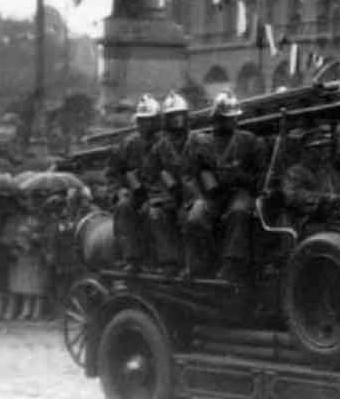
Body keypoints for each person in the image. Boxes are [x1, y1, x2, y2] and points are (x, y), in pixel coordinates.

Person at [183, 91, 266, 281]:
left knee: (239, 212)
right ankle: (201, 263)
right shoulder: (200, 142)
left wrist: (242, 177)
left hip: (239, 191)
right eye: (223, 118)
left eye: (232, 118)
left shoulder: (249, 140)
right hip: (211, 193)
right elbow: (188, 174)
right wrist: (196, 196)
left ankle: (232, 263)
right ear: (215, 118)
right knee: (196, 216)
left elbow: (260, 175)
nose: (229, 122)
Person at [107, 94, 162, 273]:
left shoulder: (165, 143)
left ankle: (156, 260)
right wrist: (119, 190)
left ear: (157, 121)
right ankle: (131, 258)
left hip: (161, 194)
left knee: (152, 212)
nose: (145, 124)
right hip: (135, 194)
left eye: (149, 120)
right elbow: (113, 174)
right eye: (141, 120)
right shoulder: (128, 144)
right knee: (123, 207)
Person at [281, 127, 340, 232]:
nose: (324, 151)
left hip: (331, 219)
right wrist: (326, 199)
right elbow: (293, 197)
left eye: (324, 147)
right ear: (308, 150)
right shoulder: (295, 173)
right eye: (319, 148)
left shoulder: (326, 169)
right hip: (307, 223)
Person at [140, 91, 191, 277]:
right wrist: (164, 196)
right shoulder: (159, 146)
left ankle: (193, 264)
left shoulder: (198, 141)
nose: (176, 122)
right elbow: (151, 175)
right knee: (156, 214)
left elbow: (207, 171)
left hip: (194, 193)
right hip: (168, 196)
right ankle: (170, 262)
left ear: (185, 117)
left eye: (179, 117)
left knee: (191, 215)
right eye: (172, 118)